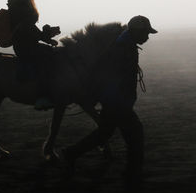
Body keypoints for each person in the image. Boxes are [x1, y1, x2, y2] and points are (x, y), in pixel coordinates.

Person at [62, 15, 157, 181]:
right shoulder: (123, 48)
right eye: (146, 33)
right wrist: (118, 103)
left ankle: (71, 153)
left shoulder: (123, 44)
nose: (147, 37)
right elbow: (113, 77)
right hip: (117, 101)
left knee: (104, 133)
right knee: (135, 134)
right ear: (137, 31)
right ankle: (133, 173)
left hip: (113, 100)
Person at [7, 0, 60, 110]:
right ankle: (42, 97)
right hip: (24, 46)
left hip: (28, 43)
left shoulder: (24, 2)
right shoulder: (20, 4)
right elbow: (27, 28)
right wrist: (45, 37)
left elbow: (30, 27)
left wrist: (46, 37)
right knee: (47, 58)